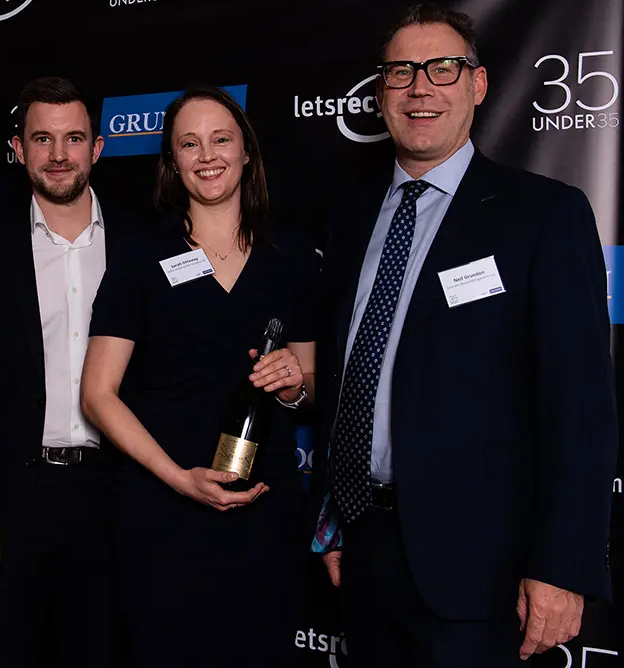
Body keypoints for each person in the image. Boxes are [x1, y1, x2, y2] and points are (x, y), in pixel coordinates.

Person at [309, 4, 618, 667]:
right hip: (363, 554)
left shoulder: (544, 216)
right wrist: (332, 518)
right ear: (382, 91)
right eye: (401, 73)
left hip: (481, 572)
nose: (421, 88)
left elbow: (580, 408)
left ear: (477, 86)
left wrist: (563, 565)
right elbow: (345, 379)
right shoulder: (349, 219)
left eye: (442, 69)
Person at [81, 85, 319, 666]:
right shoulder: (139, 256)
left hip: (264, 513)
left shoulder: (291, 254)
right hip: (163, 515)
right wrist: (177, 479)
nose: (206, 155)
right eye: (189, 143)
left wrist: (294, 384)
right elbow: (98, 393)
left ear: (245, 153)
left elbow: (309, 379)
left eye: (220, 139)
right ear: (172, 160)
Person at [0, 76, 130, 668]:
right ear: (18, 148)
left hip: (113, 499)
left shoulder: (141, 244)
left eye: (73, 139)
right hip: (10, 500)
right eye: (43, 138)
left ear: (98, 148)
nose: (58, 155)